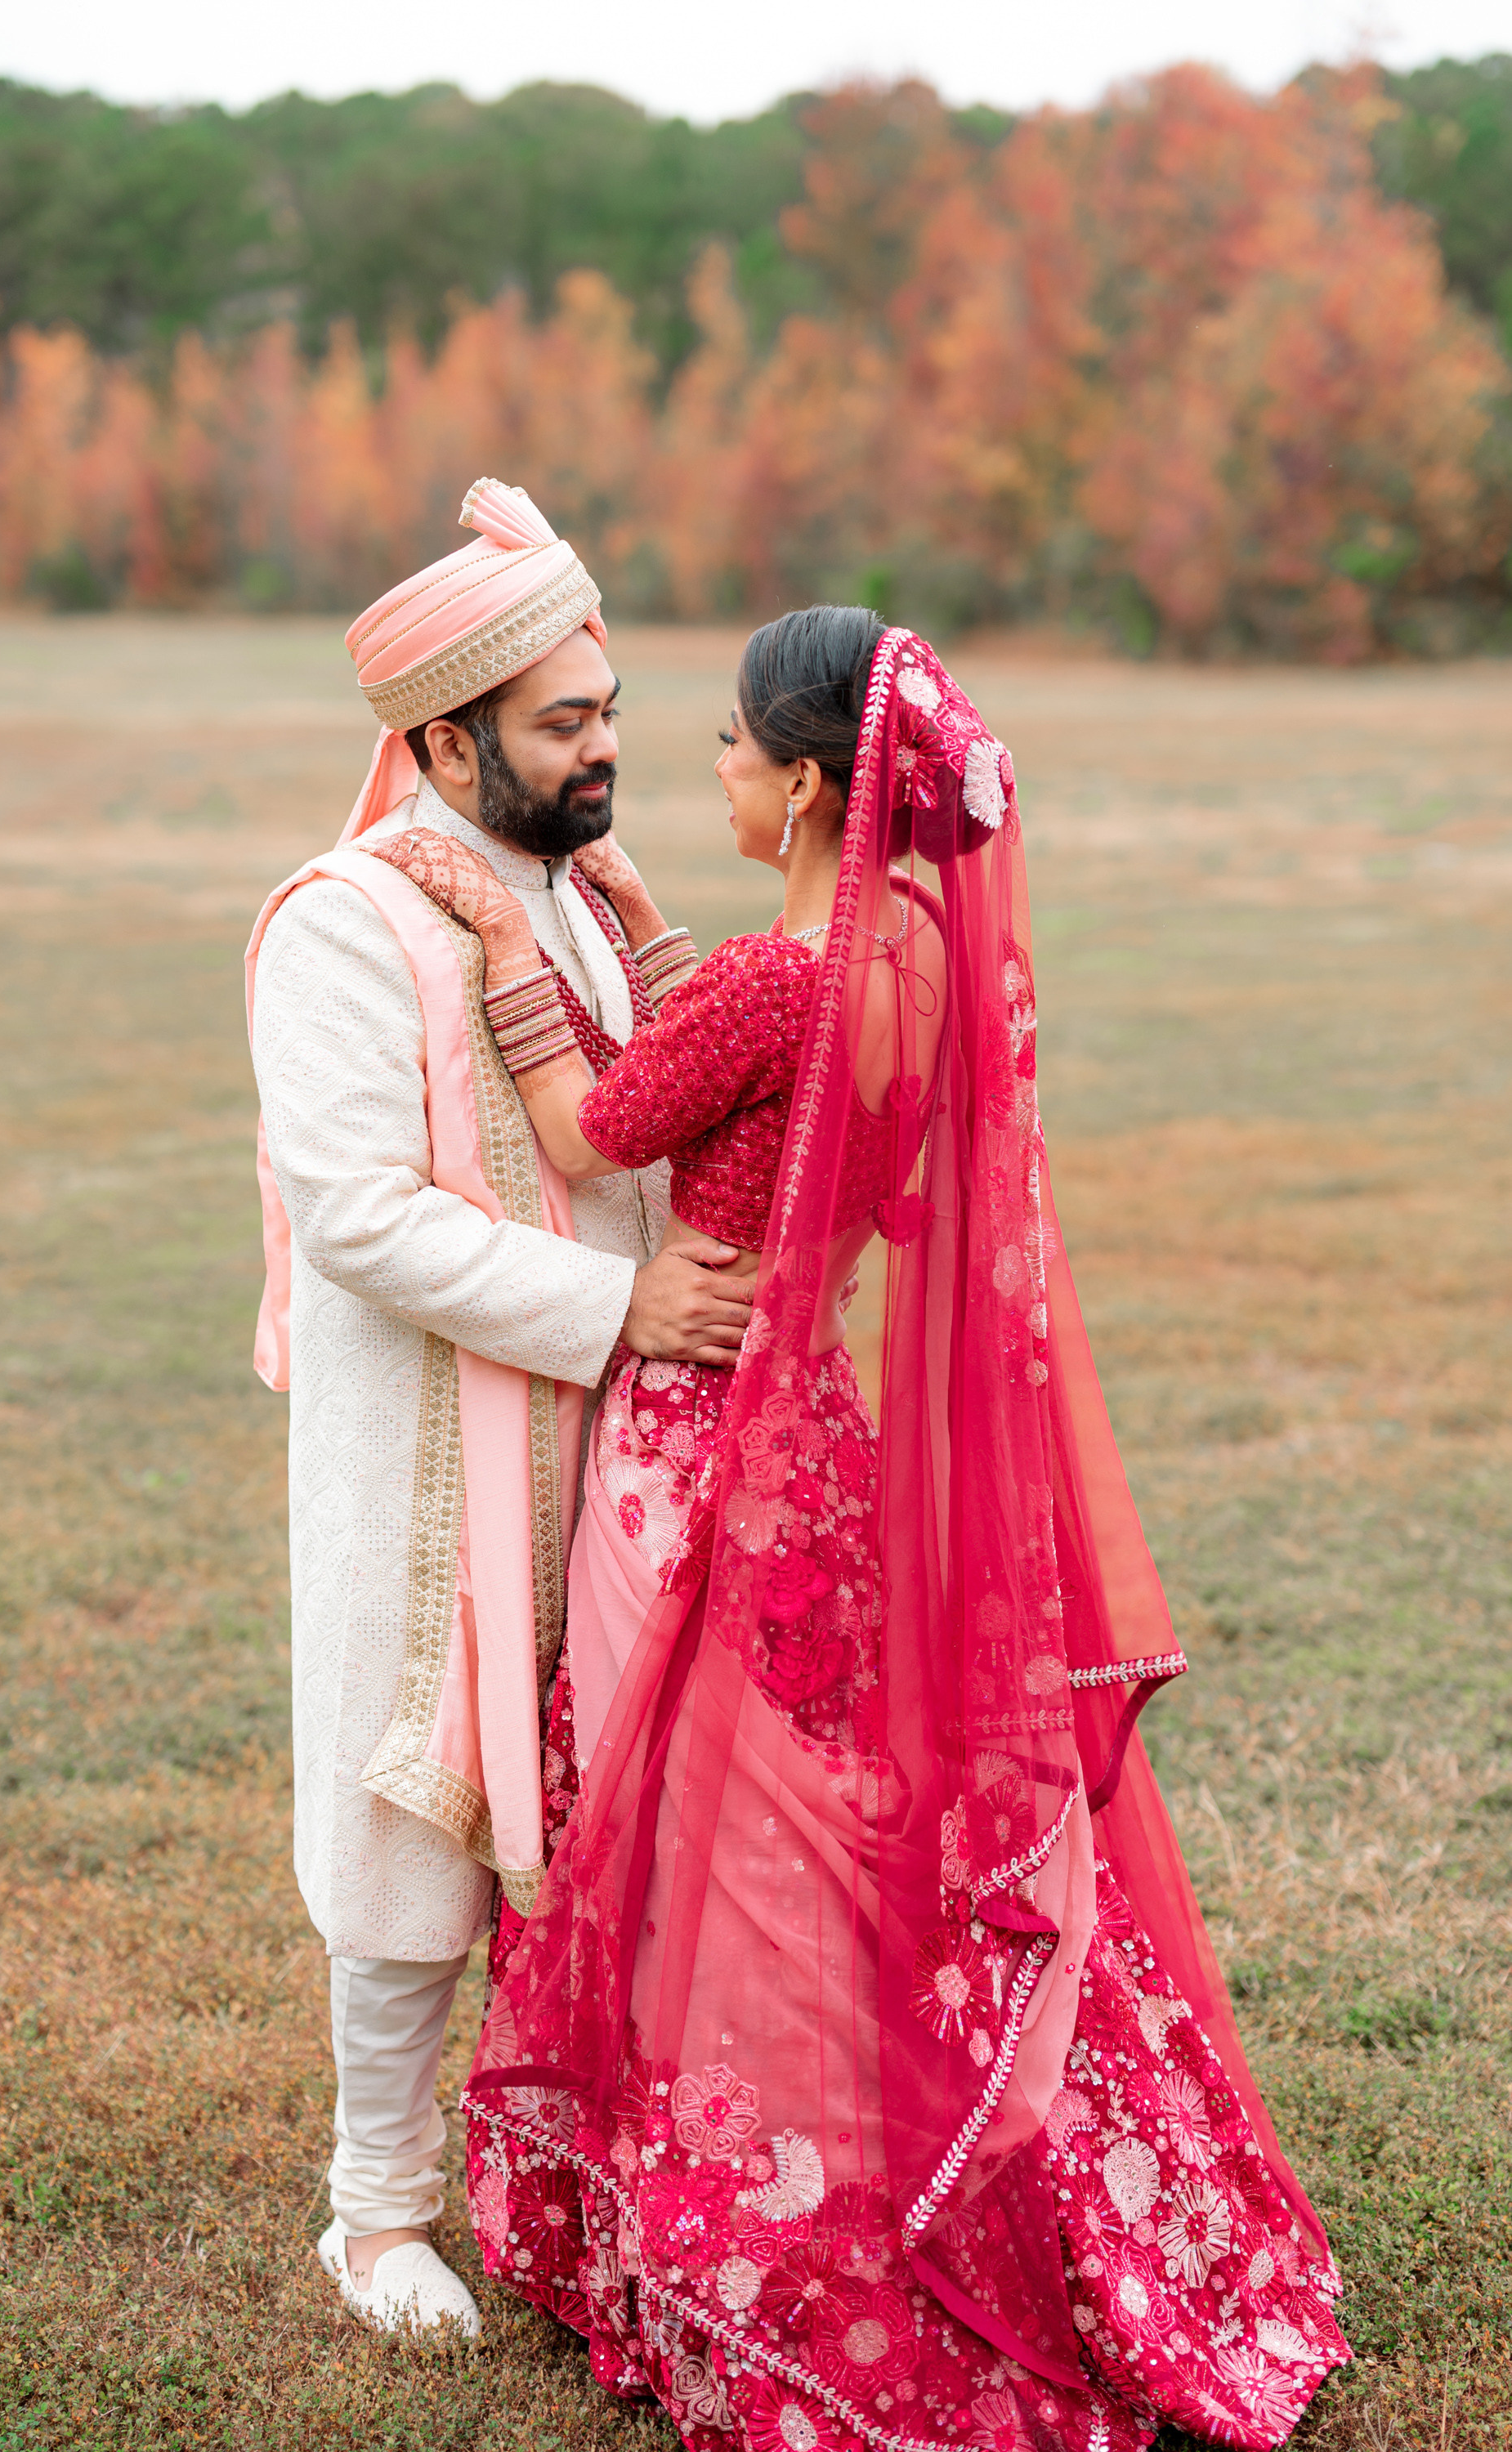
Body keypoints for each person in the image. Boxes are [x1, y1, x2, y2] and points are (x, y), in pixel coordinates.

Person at [405, 610, 1351, 2448]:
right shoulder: (909, 950)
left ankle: (763, 2220)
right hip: (819, 1430)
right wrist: (646, 914)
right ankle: (886, 2143)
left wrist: (513, 938)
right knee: (821, 1827)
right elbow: (760, 1049)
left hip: (695, 1440)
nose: (710, 776)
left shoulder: (780, 988)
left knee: (702, 1833)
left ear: (808, 780)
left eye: (730, 755)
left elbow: (602, 1132)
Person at [244, 477, 752, 2340]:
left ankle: (598, 2165)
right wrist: (620, 1310)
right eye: (563, 726)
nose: (606, 749)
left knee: (614, 1805)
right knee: (411, 1820)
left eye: (609, 709)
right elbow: (361, 1217)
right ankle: (372, 2214)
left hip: (616, 1442)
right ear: (443, 738)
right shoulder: (340, 925)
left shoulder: (592, 899)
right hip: (430, 1451)